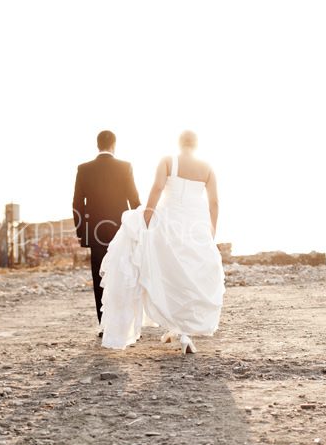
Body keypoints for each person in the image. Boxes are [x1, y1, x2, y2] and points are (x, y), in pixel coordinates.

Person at [99, 130, 225, 354]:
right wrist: (212, 228)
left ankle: (176, 327)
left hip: (169, 221)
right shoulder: (207, 168)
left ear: (179, 143)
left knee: (168, 274)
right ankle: (183, 331)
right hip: (195, 224)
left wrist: (147, 215)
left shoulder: (168, 161)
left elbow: (157, 188)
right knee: (190, 275)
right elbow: (214, 202)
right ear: (196, 145)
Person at [73, 130, 141, 336]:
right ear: (114, 144)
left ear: (97, 145)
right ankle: (124, 324)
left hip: (95, 232)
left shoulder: (84, 169)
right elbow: (135, 201)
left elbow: (77, 203)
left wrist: (82, 233)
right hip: (121, 231)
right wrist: (139, 229)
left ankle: (105, 325)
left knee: (99, 277)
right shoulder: (125, 167)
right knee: (123, 275)